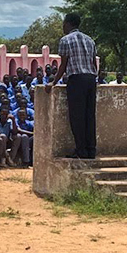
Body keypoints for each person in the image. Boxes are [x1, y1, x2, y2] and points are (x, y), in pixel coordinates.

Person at [46, 13, 98, 159]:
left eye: (64, 23)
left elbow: (63, 65)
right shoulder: (89, 40)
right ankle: (91, 150)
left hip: (76, 79)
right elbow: (94, 63)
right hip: (90, 79)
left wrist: (53, 82)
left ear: (68, 24)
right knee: (89, 115)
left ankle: (81, 150)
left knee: (77, 116)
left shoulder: (65, 40)